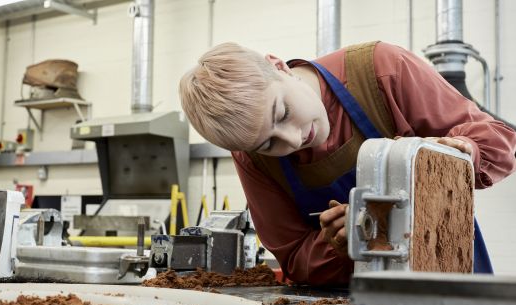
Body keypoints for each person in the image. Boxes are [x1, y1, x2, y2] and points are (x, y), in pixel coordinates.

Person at [179, 41, 516, 286]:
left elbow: (498, 140)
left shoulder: (382, 70)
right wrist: (338, 245)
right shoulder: (251, 157)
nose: (293, 140)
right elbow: (295, 260)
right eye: (269, 143)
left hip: (454, 277)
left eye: (282, 113)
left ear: (278, 66)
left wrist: (462, 150)